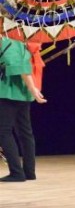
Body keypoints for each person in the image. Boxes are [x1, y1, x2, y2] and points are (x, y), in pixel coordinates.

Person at [0, 36, 46, 182]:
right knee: (25, 132)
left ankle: (17, 172)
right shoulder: (19, 41)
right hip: (21, 92)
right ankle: (29, 172)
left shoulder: (9, 43)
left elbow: (20, 68)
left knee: (4, 131)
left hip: (10, 91)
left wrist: (33, 89)